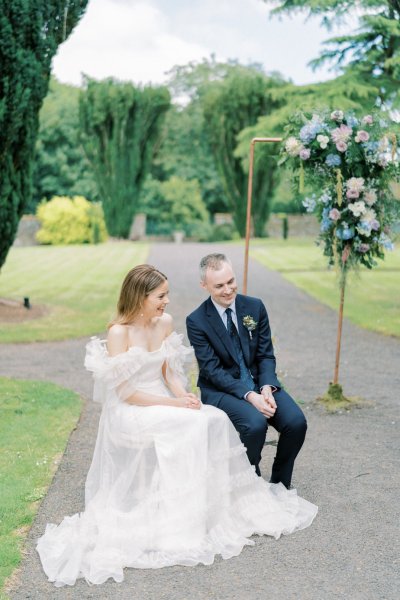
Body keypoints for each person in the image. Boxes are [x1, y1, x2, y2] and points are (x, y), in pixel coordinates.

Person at [36, 264, 317, 587]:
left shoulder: (165, 322)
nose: (167, 301)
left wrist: (185, 395)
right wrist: (174, 404)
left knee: (213, 419)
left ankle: (208, 508)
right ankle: (178, 520)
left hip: (164, 400)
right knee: (188, 426)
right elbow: (126, 392)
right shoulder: (119, 332)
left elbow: (169, 372)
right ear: (140, 297)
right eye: (161, 296)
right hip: (132, 408)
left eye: (166, 294)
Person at [186, 253, 307, 488]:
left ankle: (279, 483)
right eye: (219, 285)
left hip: (258, 383)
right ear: (204, 285)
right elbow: (212, 370)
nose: (228, 289)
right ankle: (247, 483)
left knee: (296, 422)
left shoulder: (254, 306)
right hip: (221, 390)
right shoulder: (197, 321)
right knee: (254, 425)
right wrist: (250, 396)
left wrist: (266, 387)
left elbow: (265, 354)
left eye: (231, 281)